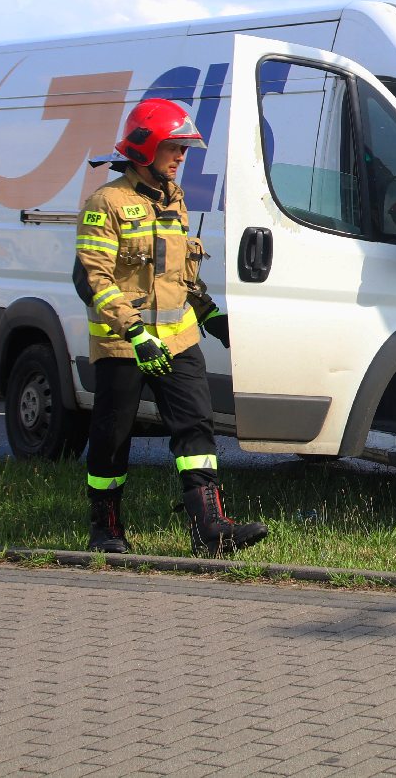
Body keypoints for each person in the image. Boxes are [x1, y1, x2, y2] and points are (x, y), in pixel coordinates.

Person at [74, 98, 267, 556]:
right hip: (124, 346)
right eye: (174, 148)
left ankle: (210, 528)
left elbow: (178, 275)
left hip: (177, 341)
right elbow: (94, 279)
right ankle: (106, 529)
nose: (181, 157)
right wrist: (135, 334)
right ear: (144, 149)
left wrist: (209, 313)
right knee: (112, 438)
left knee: (196, 430)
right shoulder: (107, 203)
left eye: (184, 149)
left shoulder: (174, 199)